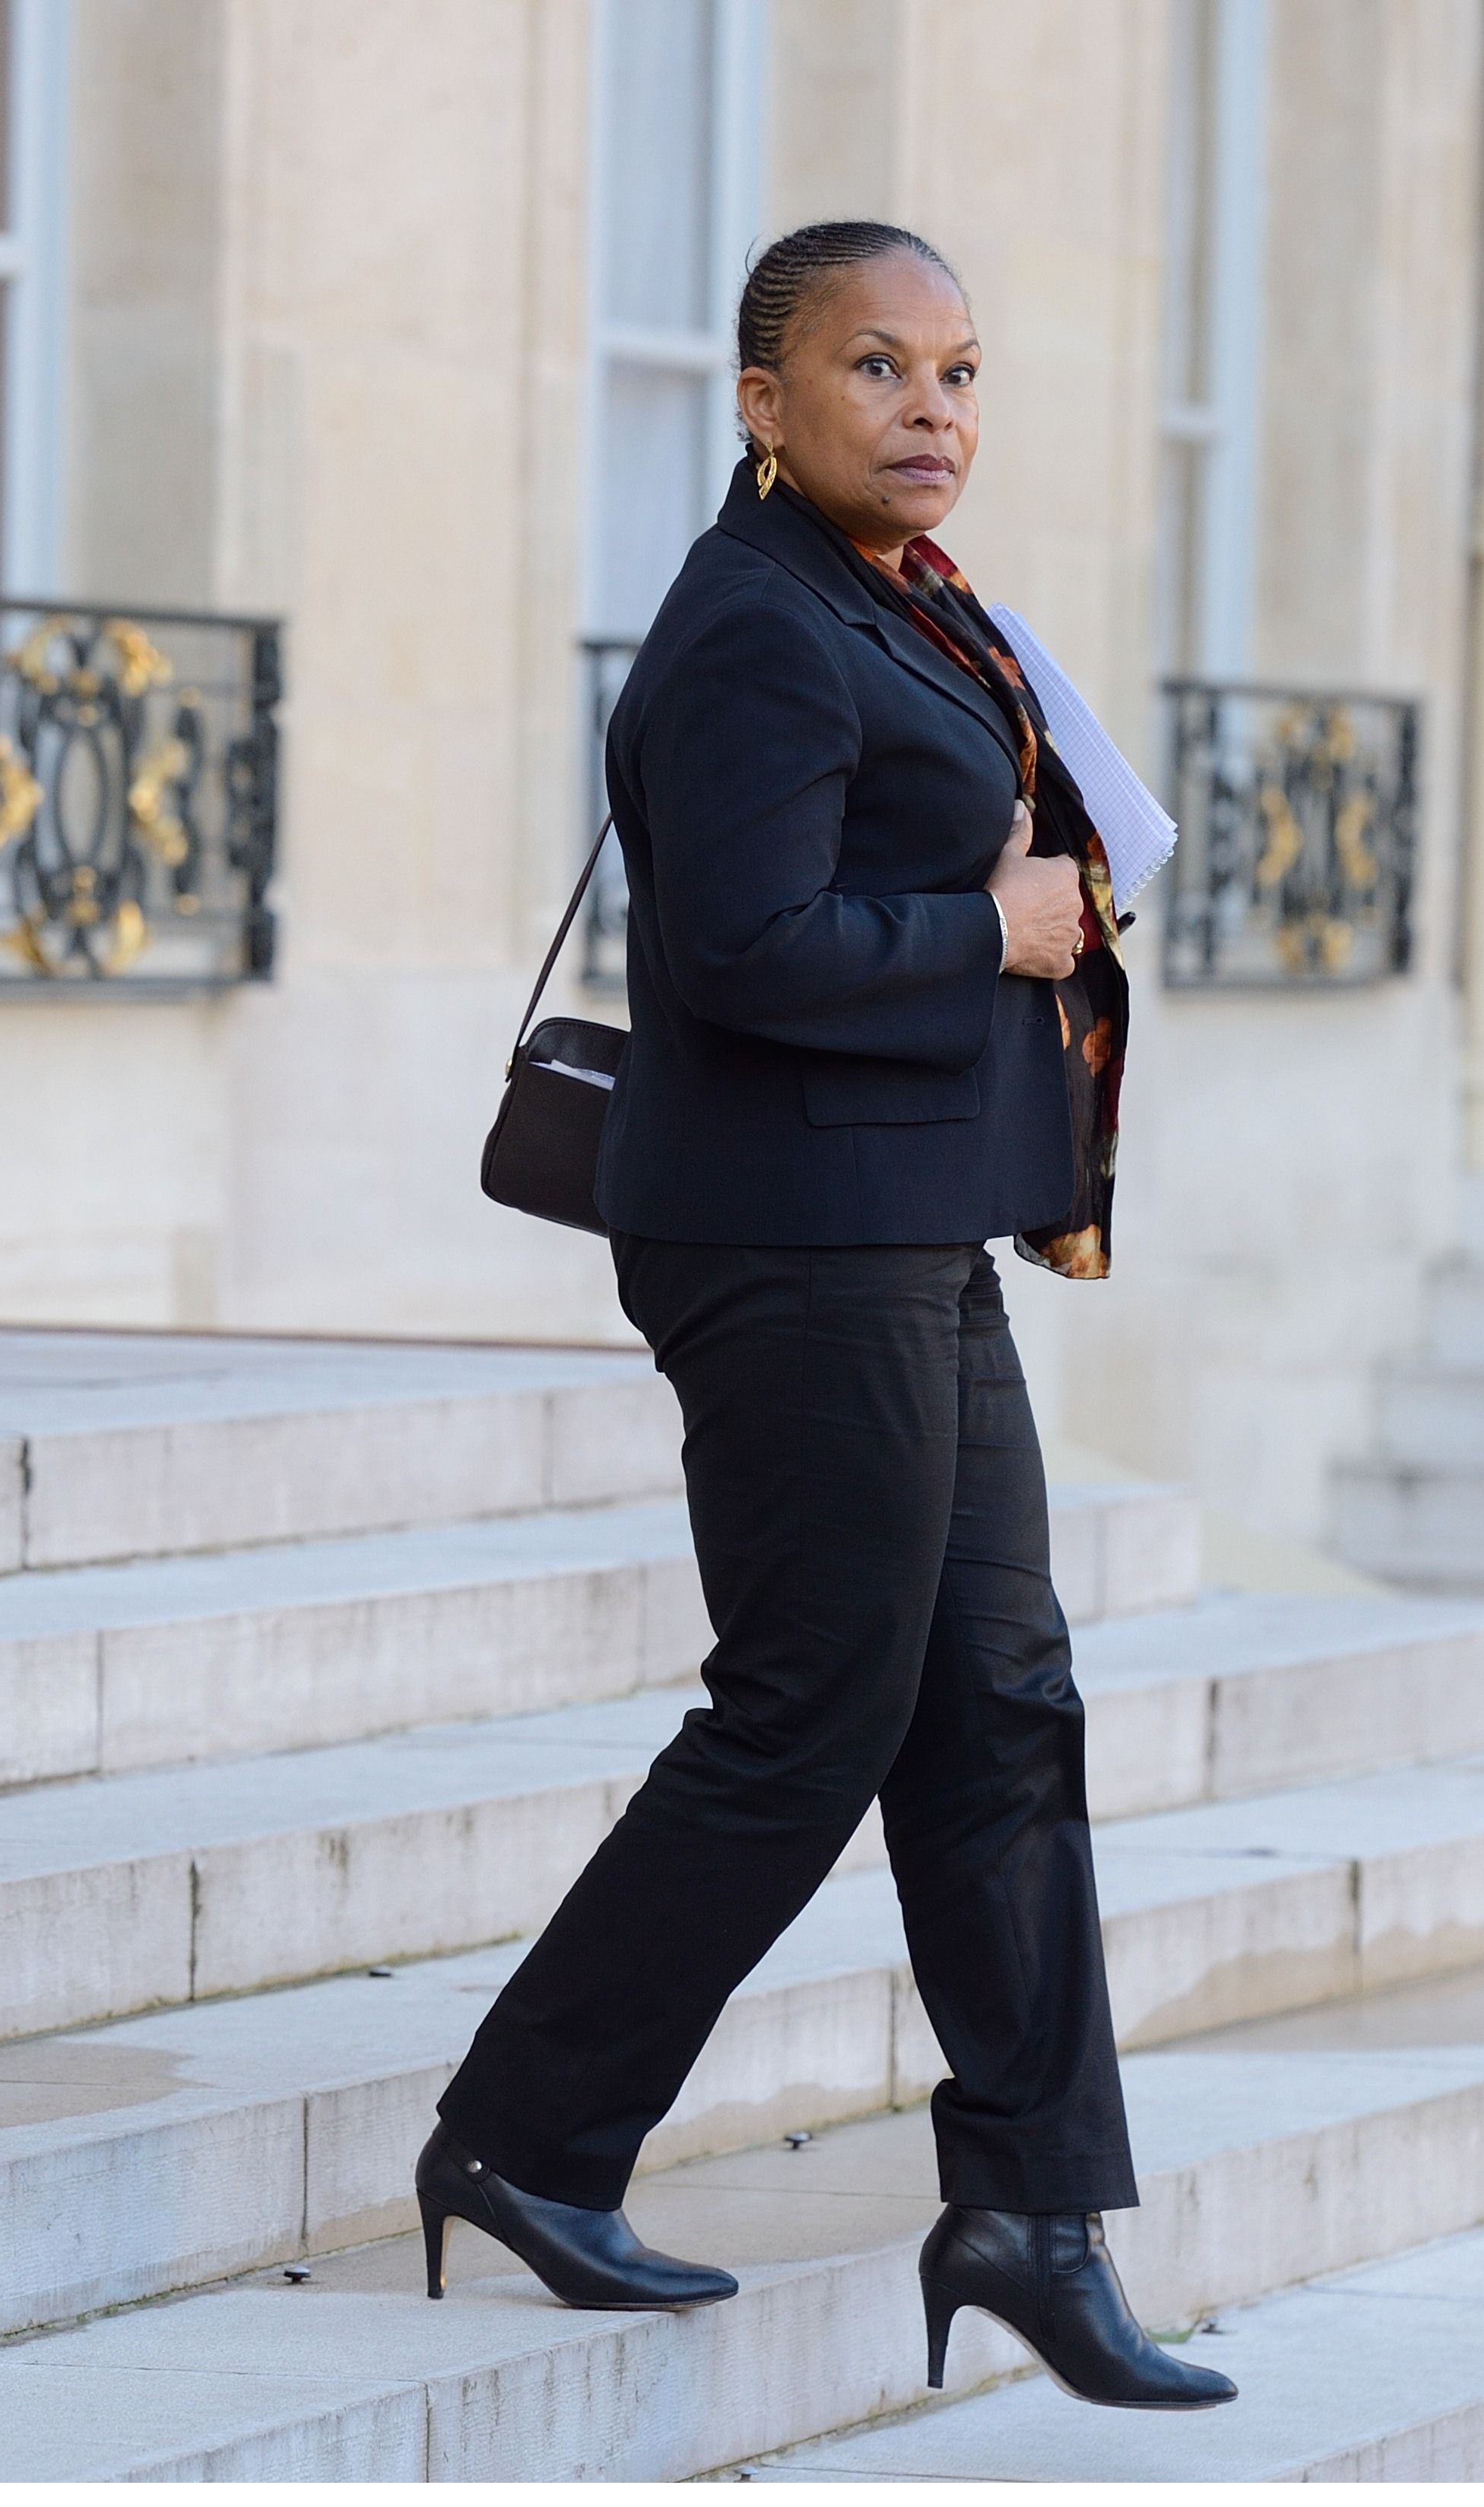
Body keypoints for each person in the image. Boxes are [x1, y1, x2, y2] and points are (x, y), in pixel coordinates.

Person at [418, 220, 1230, 2414]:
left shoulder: (891, 605)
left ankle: (1033, 2214)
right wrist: (993, 920)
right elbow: (753, 949)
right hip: (783, 1243)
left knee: (1002, 1699)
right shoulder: (756, 631)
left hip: (902, 1229)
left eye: (962, 369)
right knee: (815, 1707)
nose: (934, 409)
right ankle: (525, 2131)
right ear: (764, 400)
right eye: (877, 368)